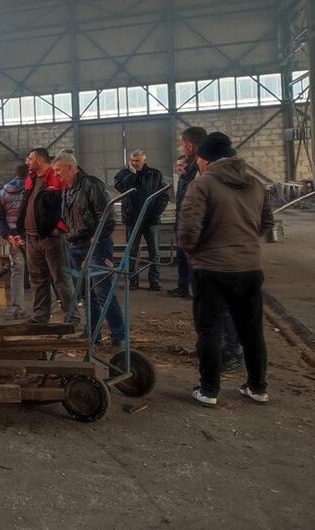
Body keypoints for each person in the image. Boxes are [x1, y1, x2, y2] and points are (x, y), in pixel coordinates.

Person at [178, 132, 273, 407]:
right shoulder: (255, 184)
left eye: (199, 161)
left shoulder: (203, 185)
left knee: (210, 330)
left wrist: (196, 252)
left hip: (212, 269)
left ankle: (209, 390)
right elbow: (266, 223)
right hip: (249, 268)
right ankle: (257, 387)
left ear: (205, 160)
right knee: (252, 330)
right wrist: (243, 241)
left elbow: (188, 231)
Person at [53, 151, 126, 346]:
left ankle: (119, 336)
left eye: (59, 170)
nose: (57, 175)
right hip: (75, 244)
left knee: (102, 291)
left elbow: (108, 217)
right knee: (87, 293)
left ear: (70, 167)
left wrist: (97, 237)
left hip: (95, 245)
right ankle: (93, 333)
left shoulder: (91, 185)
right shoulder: (67, 190)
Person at [9, 148, 74, 324]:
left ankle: (72, 317)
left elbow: (68, 204)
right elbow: (26, 205)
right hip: (32, 237)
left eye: (30, 158)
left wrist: (59, 228)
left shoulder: (55, 177)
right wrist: (20, 230)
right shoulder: (31, 178)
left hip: (51, 237)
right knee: (37, 279)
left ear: (39, 159)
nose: (27, 161)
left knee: (60, 278)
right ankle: (40, 316)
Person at [113, 150, 169, 290]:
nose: (134, 163)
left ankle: (154, 282)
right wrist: (132, 175)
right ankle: (132, 282)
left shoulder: (155, 174)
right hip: (132, 219)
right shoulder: (124, 174)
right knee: (131, 252)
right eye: (132, 160)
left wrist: (155, 212)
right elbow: (122, 188)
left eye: (137, 161)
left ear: (144, 160)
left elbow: (164, 195)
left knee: (154, 253)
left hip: (151, 220)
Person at [0, 164, 28, 319]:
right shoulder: (31, 189)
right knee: (40, 272)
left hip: (12, 238)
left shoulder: (3, 191)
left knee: (16, 271)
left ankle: (17, 308)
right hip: (30, 237)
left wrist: (7, 234)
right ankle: (49, 307)